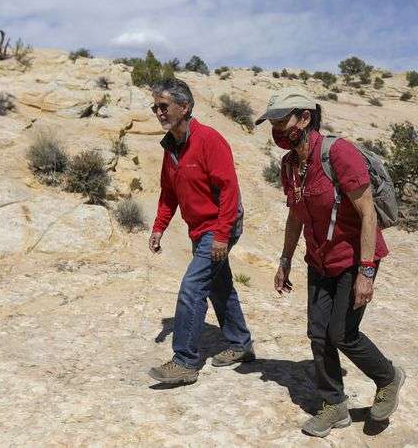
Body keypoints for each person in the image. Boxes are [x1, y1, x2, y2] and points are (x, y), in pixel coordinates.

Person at [256, 86, 405, 437]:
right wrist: (285, 260)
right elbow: (295, 216)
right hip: (319, 259)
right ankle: (333, 405)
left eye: (281, 121)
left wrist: (367, 273)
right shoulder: (290, 165)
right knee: (318, 335)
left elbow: (368, 214)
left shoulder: (339, 153)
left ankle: (387, 377)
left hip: (354, 257)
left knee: (342, 333)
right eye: (272, 124)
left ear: (305, 118)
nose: (276, 130)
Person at [147, 78, 254, 385]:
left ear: (186, 106)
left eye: (164, 106)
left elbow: (229, 190)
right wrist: (158, 228)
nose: (159, 112)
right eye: (155, 107)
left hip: (221, 224)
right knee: (220, 287)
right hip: (199, 229)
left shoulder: (209, 139)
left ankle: (185, 362)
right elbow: (168, 194)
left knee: (192, 288)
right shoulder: (171, 149)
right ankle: (240, 344)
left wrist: (221, 235)